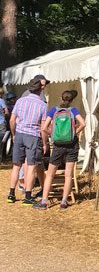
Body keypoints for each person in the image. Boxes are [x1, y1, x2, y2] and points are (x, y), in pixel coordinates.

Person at [34, 90, 85, 210]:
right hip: (72, 145)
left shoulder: (54, 110)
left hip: (58, 146)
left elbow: (43, 127)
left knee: (50, 174)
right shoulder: (73, 110)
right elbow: (83, 123)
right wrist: (74, 134)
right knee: (68, 175)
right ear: (72, 100)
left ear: (61, 98)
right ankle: (63, 202)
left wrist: (53, 134)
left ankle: (44, 201)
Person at [7, 76, 48, 205]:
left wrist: (14, 134)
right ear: (40, 90)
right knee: (31, 166)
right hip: (33, 136)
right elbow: (43, 128)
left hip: (19, 134)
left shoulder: (20, 101)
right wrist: (45, 142)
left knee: (16, 166)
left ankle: (11, 194)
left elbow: (12, 120)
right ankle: (28, 196)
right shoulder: (42, 105)